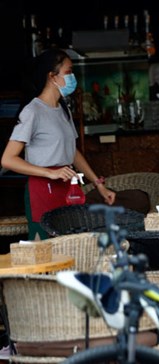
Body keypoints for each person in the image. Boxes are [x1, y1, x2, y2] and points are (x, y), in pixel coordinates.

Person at [1, 48, 115, 240]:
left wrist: (98, 184)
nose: (73, 77)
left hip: (67, 188)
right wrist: (51, 172)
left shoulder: (63, 109)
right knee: (46, 253)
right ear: (52, 76)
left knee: (72, 247)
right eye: (69, 72)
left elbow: (72, 152)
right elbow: (8, 160)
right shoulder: (33, 111)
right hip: (42, 189)